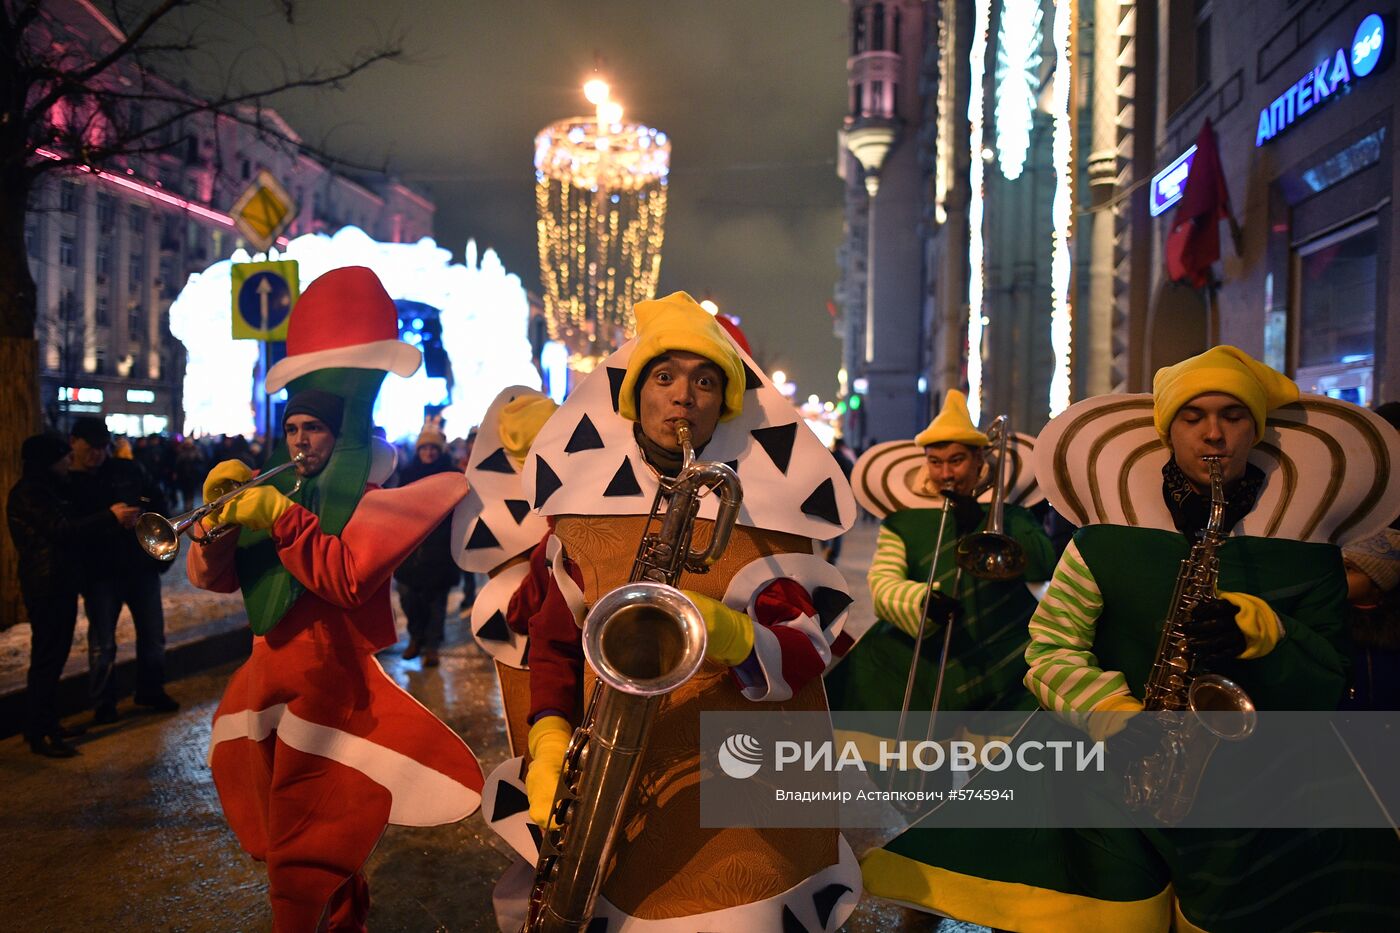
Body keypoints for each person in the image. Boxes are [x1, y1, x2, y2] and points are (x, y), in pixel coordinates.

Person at [864, 347, 1400, 932]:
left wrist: (1266, 633)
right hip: (1105, 771)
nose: (1214, 435)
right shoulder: (1103, 540)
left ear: (1258, 429)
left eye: (1233, 416)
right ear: (1167, 432)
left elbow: (1329, 673)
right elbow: (1050, 648)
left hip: (1259, 786)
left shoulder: (1311, 553)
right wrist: (1113, 715)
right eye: (1193, 418)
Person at [486, 291, 863, 929]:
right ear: (636, 396)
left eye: (706, 382)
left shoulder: (769, 519)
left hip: (735, 793)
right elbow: (551, 642)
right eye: (664, 377)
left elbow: (808, 652)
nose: (684, 396)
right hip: (614, 787)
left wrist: (721, 627)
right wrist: (548, 745)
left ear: (724, 404)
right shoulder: (577, 520)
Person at [186, 266, 484, 931]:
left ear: (340, 433)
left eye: (314, 429)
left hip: (332, 694)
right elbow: (216, 581)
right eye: (291, 428)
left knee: (306, 848)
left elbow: (346, 575)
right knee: (307, 837)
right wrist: (212, 527)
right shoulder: (279, 495)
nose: (299, 440)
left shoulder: (375, 501)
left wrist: (283, 518)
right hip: (265, 687)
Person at [825, 390, 1055, 717]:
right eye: (935, 462)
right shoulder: (904, 521)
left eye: (956, 461)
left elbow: (1044, 564)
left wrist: (988, 522)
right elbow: (882, 582)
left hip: (1006, 666)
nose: (945, 473)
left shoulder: (1012, 514)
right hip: (928, 666)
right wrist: (922, 602)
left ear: (979, 460)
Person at [8, 434, 132, 757]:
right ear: (48, 460)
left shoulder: (48, 488)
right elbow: (61, 530)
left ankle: (45, 724)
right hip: (46, 585)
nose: (68, 461)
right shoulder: (30, 493)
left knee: (54, 656)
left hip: (58, 583)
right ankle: (40, 732)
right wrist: (109, 517)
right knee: (47, 659)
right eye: (63, 456)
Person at [67, 416, 177, 723]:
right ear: (73, 442)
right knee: (103, 643)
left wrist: (143, 514)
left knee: (153, 635)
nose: (97, 454)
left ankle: (151, 690)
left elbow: (155, 498)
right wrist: (109, 518)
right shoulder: (67, 482)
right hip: (100, 574)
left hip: (140, 568)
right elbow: (69, 528)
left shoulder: (126, 469)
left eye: (103, 447)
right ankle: (103, 702)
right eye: (91, 447)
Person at [394, 418, 461, 667]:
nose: (429, 452)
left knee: (436, 601)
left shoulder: (452, 475)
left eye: (433, 448)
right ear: (418, 449)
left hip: (440, 547)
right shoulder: (408, 474)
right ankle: (416, 638)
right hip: (411, 548)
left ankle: (432, 646)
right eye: (424, 448)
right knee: (409, 596)